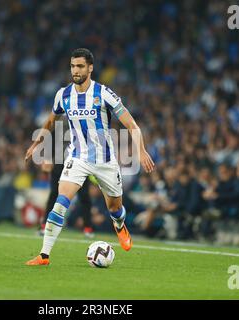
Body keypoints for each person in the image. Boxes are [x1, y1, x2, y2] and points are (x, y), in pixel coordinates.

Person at [24, 48, 155, 265]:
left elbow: (131, 124)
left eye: (80, 66)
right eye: (73, 66)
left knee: (114, 208)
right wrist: (36, 144)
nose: (75, 70)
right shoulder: (63, 95)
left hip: (105, 162)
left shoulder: (104, 94)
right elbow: (50, 121)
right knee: (60, 201)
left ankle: (120, 225)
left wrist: (140, 150)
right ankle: (44, 255)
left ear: (90, 68)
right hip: (77, 158)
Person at [39, 115, 94, 238]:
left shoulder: (85, 119)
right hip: (60, 161)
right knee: (54, 194)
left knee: (84, 195)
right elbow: (51, 137)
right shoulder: (62, 119)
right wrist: (47, 157)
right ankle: (45, 225)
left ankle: (88, 227)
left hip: (80, 162)